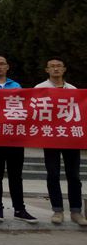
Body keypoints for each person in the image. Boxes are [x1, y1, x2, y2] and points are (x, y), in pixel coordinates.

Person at [0, 55, 37, 224]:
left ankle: (19, 209)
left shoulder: (16, 86)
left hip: (15, 137)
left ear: (7, 67)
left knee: (16, 175)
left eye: (1, 64)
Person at [35, 57, 87, 226]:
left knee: (74, 176)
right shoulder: (39, 89)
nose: (56, 69)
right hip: (50, 137)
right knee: (53, 174)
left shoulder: (73, 90)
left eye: (59, 66)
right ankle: (57, 210)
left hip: (70, 138)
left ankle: (76, 211)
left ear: (64, 69)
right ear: (47, 70)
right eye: (52, 66)